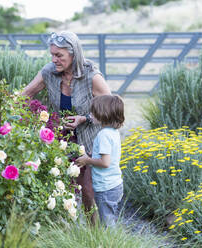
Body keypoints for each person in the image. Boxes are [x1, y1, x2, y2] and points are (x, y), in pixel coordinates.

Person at [22, 31, 111, 223]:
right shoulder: (48, 72)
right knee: (55, 185)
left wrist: (85, 118)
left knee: (86, 189)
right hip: (58, 139)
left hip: (87, 139)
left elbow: (111, 107)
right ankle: (61, 231)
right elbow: (25, 94)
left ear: (74, 54)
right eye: (52, 54)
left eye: (59, 55)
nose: (54, 59)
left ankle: (94, 234)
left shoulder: (91, 76)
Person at [75, 95, 125, 227]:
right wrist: (91, 155)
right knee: (109, 218)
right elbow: (108, 156)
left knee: (107, 223)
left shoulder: (103, 135)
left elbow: (105, 162)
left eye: (94, 113)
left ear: (103, 114)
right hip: (114, 185)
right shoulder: (113, 132)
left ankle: (110, 243)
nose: (91, 115)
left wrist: (87, 160)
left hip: (106, 188)